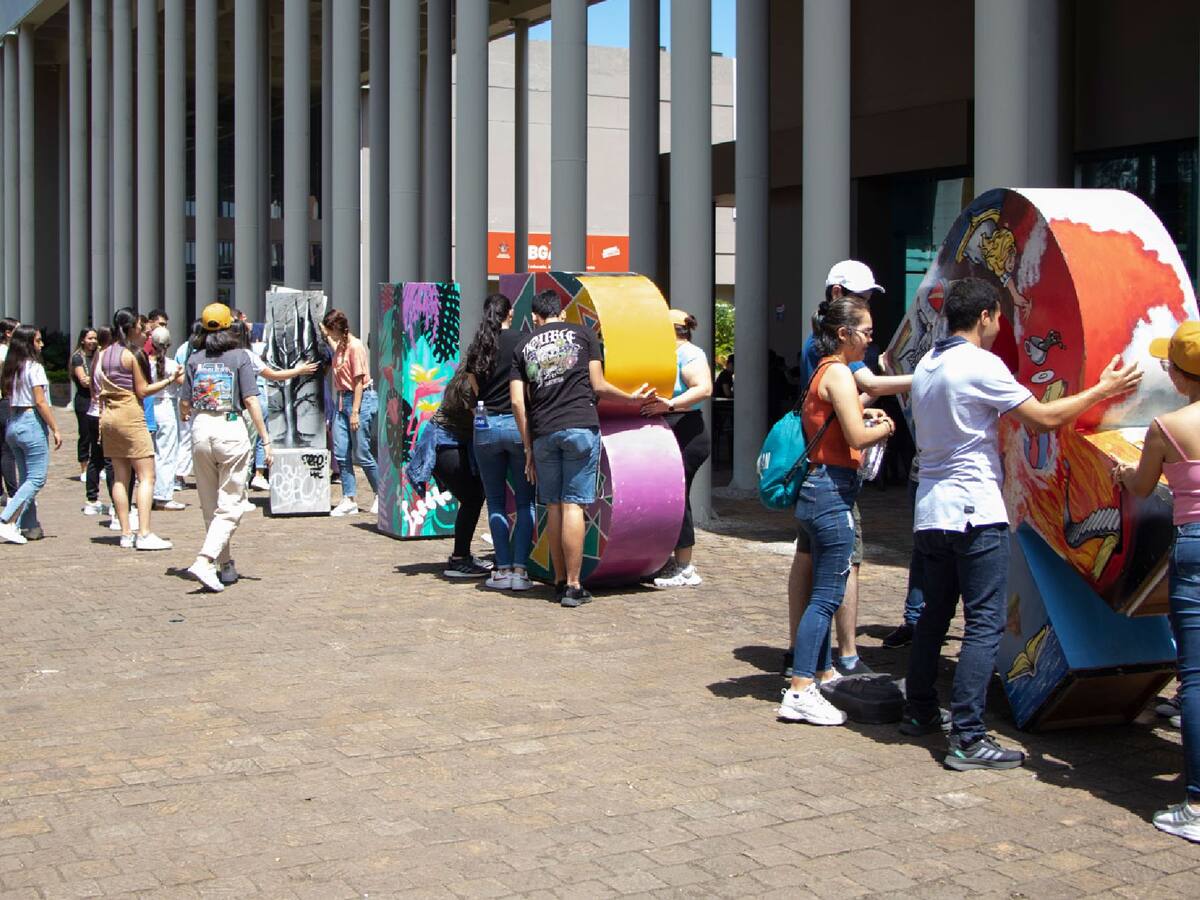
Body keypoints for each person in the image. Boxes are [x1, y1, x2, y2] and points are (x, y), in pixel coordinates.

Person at [903, 277, 1139, 769]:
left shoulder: (928, 363)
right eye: (999, 316)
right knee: (984, 623)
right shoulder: (979, 365)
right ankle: (967, 736)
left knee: (934, 616)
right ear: (986, 315)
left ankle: (921, 710)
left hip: (932, 510)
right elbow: (1045, 418)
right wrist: (1105, 388)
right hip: (974, 512)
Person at [783, 260, 912, 680]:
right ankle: (820, 673)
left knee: (814, 568)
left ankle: (813, 669)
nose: (869, 309)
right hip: (830, 480)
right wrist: (890, 419)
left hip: (819, 477)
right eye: (863, 303)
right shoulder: (837, 367)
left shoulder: (820, 356)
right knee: (832, 583)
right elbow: (858, 419)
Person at [777, 294, 895, 725]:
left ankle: (819, 672)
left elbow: (838, 424)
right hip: (832, 491)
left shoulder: (823, 371)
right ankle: (801, 688)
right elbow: (857, 438)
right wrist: (882, 427)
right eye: (865, 332)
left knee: (819, 593)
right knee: (826, 596)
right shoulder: (840, 374)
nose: (869, 340)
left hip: (816, 488)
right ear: (843, 334)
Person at [510, 290, 655, 607]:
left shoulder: (523, 346)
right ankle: (575, 586)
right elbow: (598, 385)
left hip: (545, 432)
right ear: (560, 313)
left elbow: (518, 403)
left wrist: (528, 447)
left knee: (553, 506)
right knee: (574, 505)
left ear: (536, 317)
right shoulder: (583, 333)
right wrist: (632, 399)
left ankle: (560, 581)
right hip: (579, 424)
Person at [1114, 321, 1200, 842]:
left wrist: (1123, 477)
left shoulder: (1167, 427)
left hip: (1194, 548)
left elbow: (1141, 484)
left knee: (1195, 677)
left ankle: (1196, 803)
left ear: (1180, 374)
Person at [180, 303, 272, 592]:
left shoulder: (194, 359)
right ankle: (206, 559)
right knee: (231, 503)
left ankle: (225, 564)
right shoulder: (240, 356)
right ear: (230, 327)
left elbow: (184, 404)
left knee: (210, 504)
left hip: (200, 427)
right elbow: (251, 400)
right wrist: (265, 438)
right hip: (230, 427)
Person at [96, 307, 185, 550]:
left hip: (110, 416)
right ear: (130, 328)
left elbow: (97, 385)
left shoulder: (104, 354)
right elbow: (143, 390)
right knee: (147, 476)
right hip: (130, 415)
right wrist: (168, 380)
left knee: (120, 476)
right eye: (140, 326)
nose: (144, 330)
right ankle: (144, 532)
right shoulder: (132, 354)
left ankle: (126, 532)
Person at [466, 294, 535, 589]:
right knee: (524, 501)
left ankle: (502, 568)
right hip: (517, 426)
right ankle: (520, 571)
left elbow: (473, 388)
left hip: (486, 426)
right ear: (510, 313)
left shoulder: (478, 346)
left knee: (494, 501)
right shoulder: (523, 340)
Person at [642, 309, 713, 588]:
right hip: (670, 430)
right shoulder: (666, 353)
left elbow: (703, 388)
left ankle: (685, 567)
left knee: (677, 497)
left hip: (686, 431)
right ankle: (666, 559)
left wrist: (669, 405)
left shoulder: (690, 353)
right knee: (665, 499)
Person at [0, 326, 62, 544]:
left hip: (14, 421)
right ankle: (6, 520)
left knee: (26, 479)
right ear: (28, 344)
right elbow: (40, 401)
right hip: (30, 421)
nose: (41, 344)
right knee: (37, 478)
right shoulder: (34, 368)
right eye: (37, 341)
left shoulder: (11, 367)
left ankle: (28, 525)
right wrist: (55, 427)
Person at [321, 309, 380, 517]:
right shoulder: (340, 347)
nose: (329, 335)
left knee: (362, 452)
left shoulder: (355, 347)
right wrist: (325, 334)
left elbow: (358, 382)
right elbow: (335, 346)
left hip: (360, 399)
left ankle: (380, 493)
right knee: (341, 450)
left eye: (330, 331)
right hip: (341, 400)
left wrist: (355, 411)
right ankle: (349, 497)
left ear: (337, 329)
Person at [148, 326, 186, 511]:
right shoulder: (172, 365)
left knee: (151, 453)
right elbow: (186, 382)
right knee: (167, 453)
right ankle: (163, 494)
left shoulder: (144, 363)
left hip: (148, 407)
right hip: (166, 407)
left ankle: (150, 490)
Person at [82, 328, 116, 516]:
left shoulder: (97, 356)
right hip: (104, 412)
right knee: (110, 460)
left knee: (95, 457)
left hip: (94, 411)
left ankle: (91, 499)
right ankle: (115, 501)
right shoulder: (108, 357)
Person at [173, 320, 205, 489]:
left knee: (185, 438)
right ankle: (180, 475)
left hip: (184, 398)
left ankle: (179, 476)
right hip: (198, 400)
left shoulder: (183, 348)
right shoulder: (202, 352)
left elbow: (177, 375)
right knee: (193, 439)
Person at [70, 329, 99, 481]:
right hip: (84, 400)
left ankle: (97, 465)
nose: (93, 341)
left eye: (95, 338)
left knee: (99, 435)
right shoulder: (77, 358)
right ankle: (84, 467)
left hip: (98, 399)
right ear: (82, 340)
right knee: (85, 434)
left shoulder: (98, 355)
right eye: (90, 338)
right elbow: (84, 380)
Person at [0, 317, 20, 505]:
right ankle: (13, 492)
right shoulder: (7, 354)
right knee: (7, 450)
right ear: (8, 333)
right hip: (4, 402)